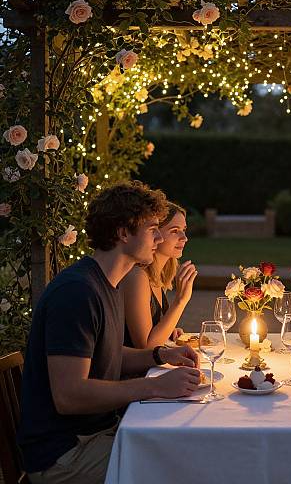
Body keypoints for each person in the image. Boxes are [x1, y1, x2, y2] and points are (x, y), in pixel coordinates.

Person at [17, 181, 201, 484]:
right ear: (123, 233)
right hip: (64, 453)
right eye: (152, 228)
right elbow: (69, 395)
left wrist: (158, 354)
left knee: (185, 440)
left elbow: (109, 354)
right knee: (179, 463)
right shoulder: (77, 292)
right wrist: (155, 387)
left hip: (96, 432)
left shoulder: (108, 284)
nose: (159, 237)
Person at [121, 201, 197, 349]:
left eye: (184, 230)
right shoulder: (137, 276)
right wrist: (180, 301)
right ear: (155, 233)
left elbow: (153, 333)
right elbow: (146, 347)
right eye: (174, 231)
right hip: (132, 370)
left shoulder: (157, 276)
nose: (184, 238)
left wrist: (168, 329)